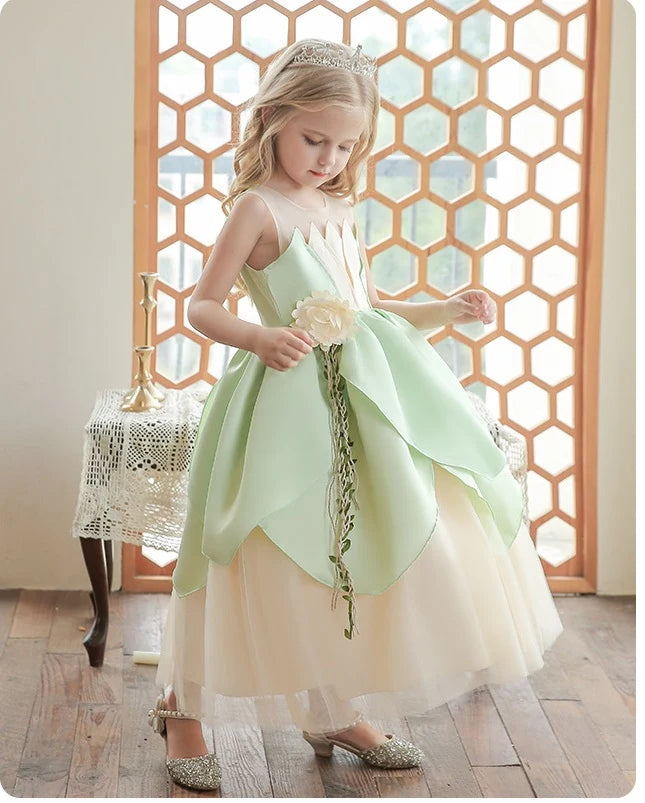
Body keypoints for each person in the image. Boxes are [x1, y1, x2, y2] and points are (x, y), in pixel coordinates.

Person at [146, 38, 564, 791]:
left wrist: (444, 308)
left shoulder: (339, 206)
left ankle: (331, 704)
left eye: (345, 145)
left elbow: (365, 307)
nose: (329, 158)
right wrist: (259, 336)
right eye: (315, 139)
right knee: (258, 549)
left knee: (349, 549)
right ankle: (183, 708)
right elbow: (202, 306)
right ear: (273, 119)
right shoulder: (257, 208)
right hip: (283, 401)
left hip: (362, 403)